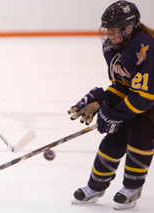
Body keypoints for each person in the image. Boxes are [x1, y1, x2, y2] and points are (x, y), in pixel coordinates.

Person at [68, 1, 154, 210]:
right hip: (140, 97)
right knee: (113, 140)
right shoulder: (113, 47)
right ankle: (95, 186)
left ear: (129, 28)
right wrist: (102, 99)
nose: (109, 34)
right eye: (107, 29)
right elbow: (124, 85)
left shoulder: (143, 48)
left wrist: (114, 115)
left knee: (139, 136)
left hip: (149, 100)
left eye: (114, 30)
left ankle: (132, 188)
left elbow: (144, 97)